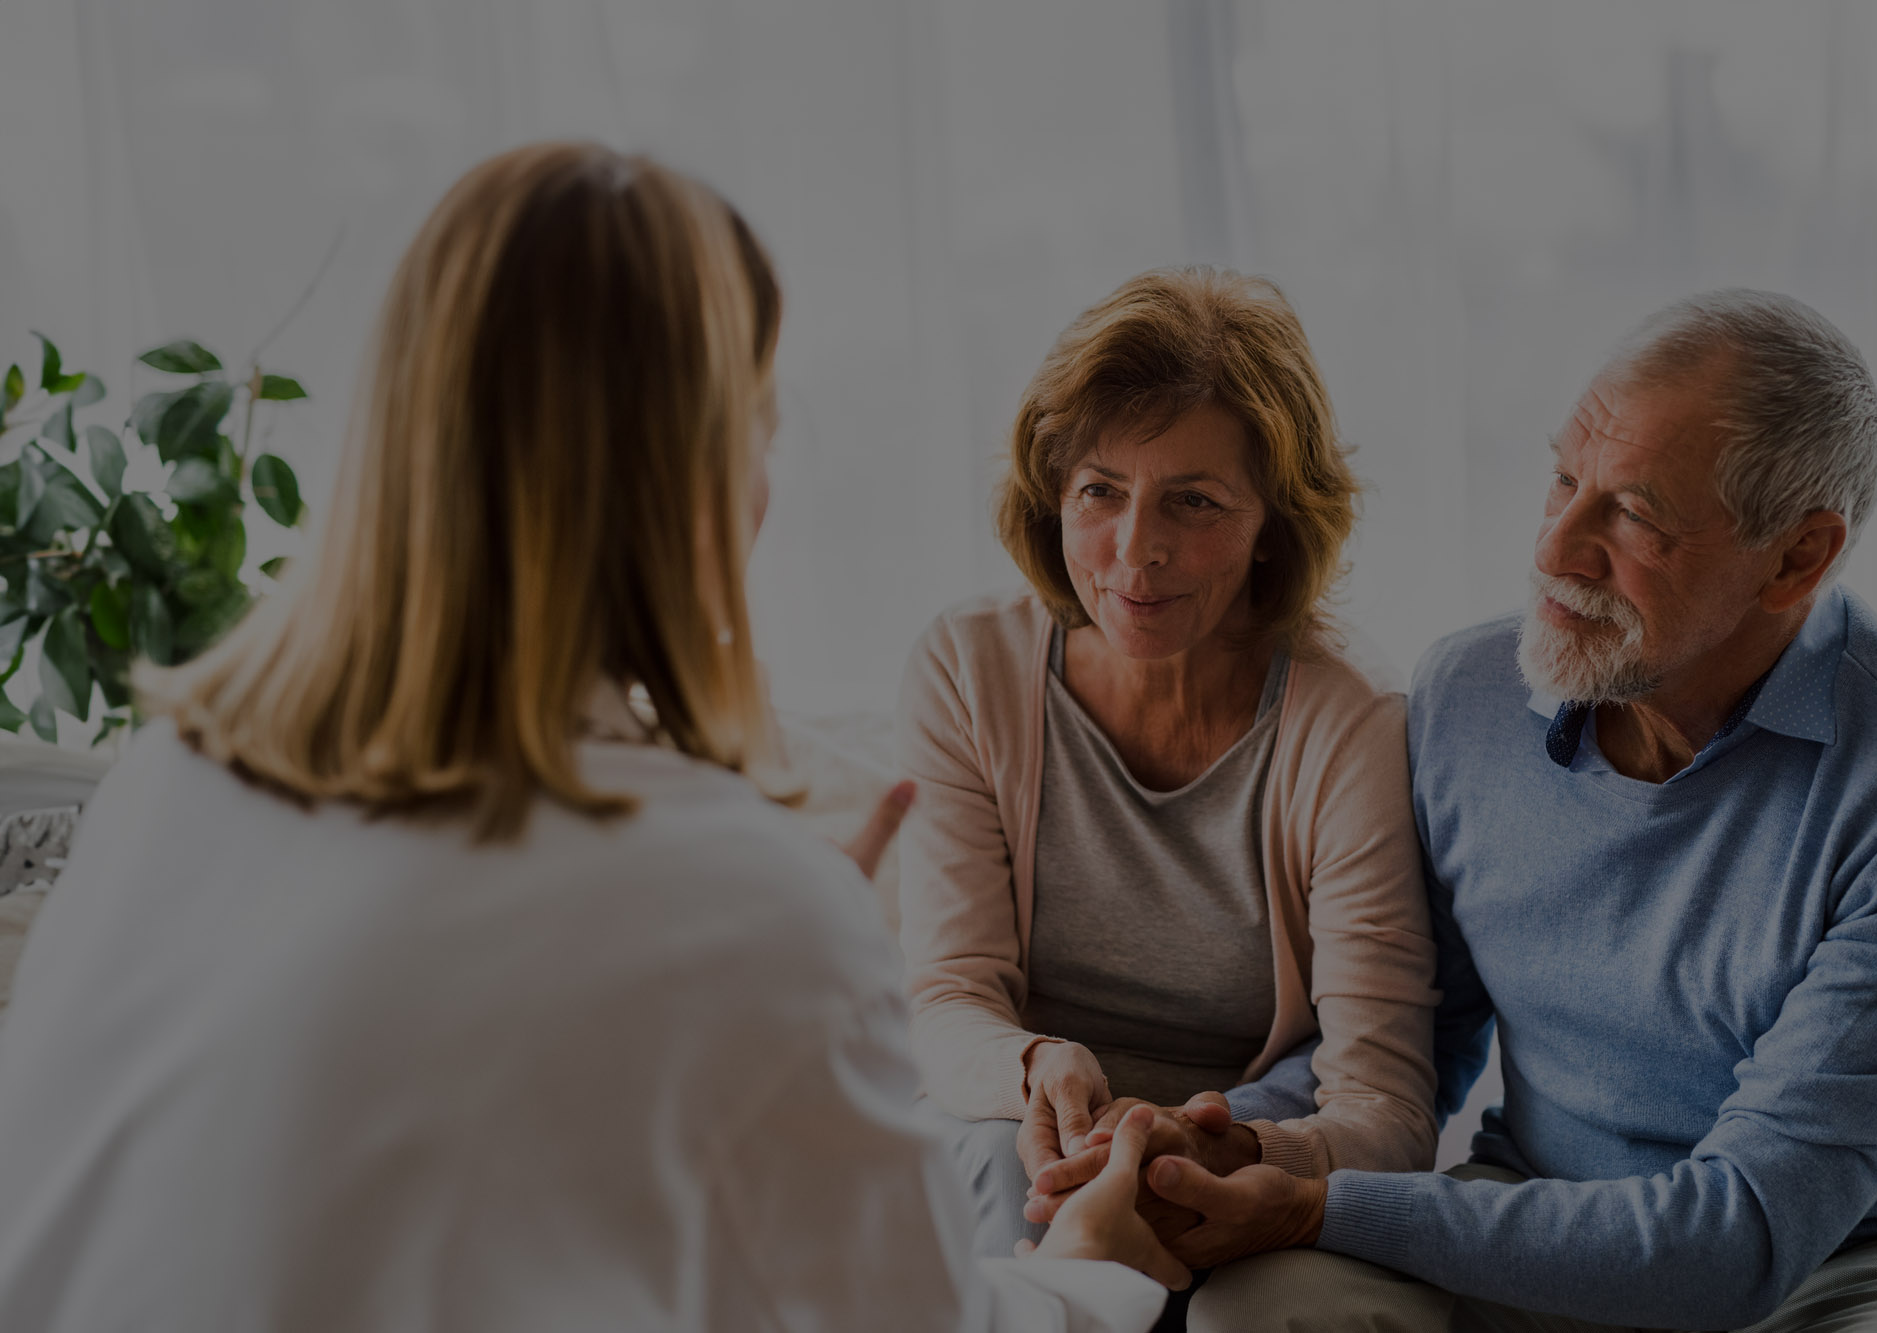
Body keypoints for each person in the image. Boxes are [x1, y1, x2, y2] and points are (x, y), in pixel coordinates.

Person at [0, 142, 1183, 1332]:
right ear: (704, 480)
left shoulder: (170, 782)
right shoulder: (732, 907)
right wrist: (1088, 1258)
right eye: (762, 428)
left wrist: (769, 986)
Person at [1084, 289, 1877, 1331]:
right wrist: (1224, 1142)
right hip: (1539, 1204)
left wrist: (1313, 1205)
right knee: (1262, 1307)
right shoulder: (1467, 694)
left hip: (1857, 1255)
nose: (1556, 549)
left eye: (1633, 516)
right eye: (1563, 479)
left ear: (1797, 556)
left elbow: (1736, 1235)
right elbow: (1410, 1032)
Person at [896, 266, 1439, 1266]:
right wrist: (1037, 1068)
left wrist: (1225, 1146)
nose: (1132, 551)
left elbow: (1387, 1105)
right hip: (1014, 1125)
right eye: (1098, 491)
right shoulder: (968, 664)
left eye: (1191, 502)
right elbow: (944, 1004)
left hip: (1233, 1138)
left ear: (1271, 522)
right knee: (1005, 1177)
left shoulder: (1347, 715)